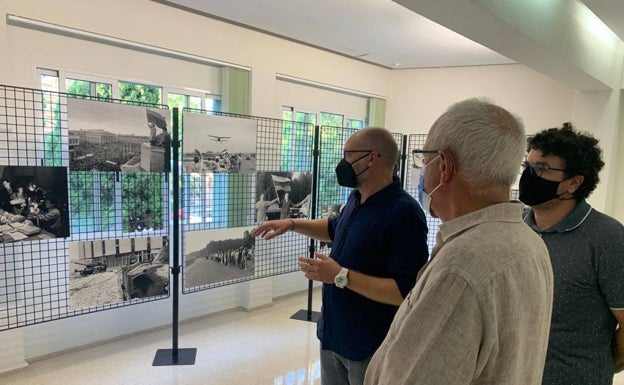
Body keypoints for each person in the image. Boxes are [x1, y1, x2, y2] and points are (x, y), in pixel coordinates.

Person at [364, 99, 554, 385]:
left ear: (444, 166)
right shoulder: (530, 241)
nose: (421, 175)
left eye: (423, 160)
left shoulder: (461, 268)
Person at [253, 127, 429, 385]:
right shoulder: (357, 197)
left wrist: (340, 276)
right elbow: (334, 229)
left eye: (348, 155)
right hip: (334, 335)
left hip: (368, 348)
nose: (342, 163)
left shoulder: (405, 214)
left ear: (372, 158)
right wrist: (291, 223)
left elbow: (405, 292)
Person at [519, 123, 624, 385]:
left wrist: (599, 365)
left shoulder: (606, 237)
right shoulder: (518, 228)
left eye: (541, 169)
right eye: (527, 166)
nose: (529, 175)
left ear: (574, 182)